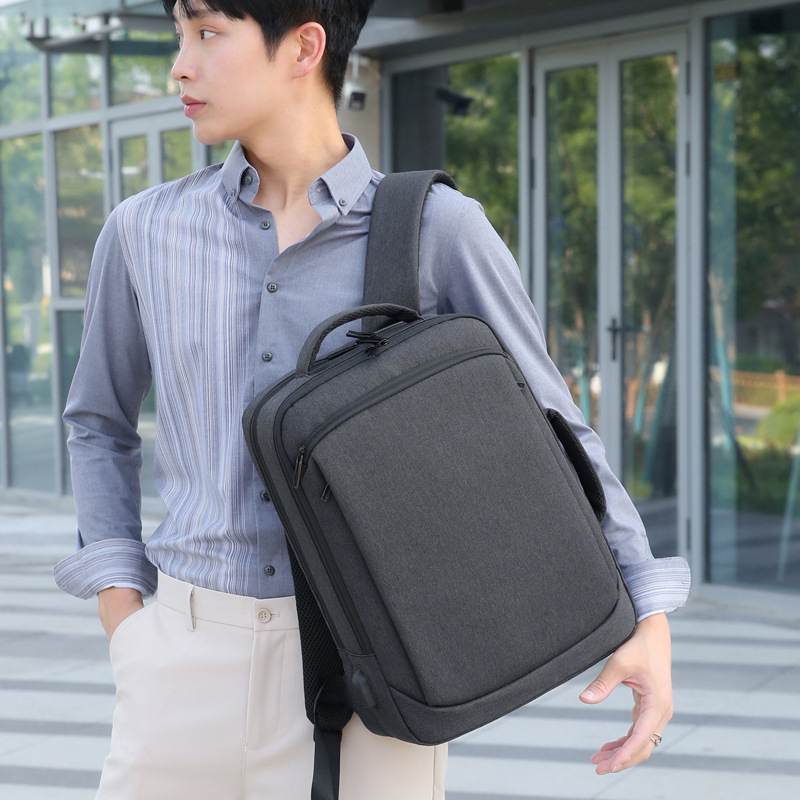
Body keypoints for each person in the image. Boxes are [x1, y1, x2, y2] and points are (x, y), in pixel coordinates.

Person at [54, 1, 691, 798]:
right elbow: (98, 422)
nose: (180, 64)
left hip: (376, 671)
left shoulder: (435, 229)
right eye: (181, 34)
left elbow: (552, 423)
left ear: (304, 47)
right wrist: (126, 617)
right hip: (181, 662)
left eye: (208, 33)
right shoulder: (144, 231)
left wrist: (646, 611)